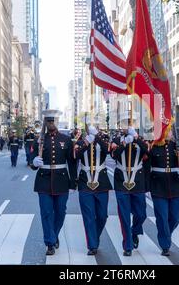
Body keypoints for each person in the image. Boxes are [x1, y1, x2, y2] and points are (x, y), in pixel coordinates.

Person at [31, 110, 77, 256]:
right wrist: (34, 162)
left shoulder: (66, 139)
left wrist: (73, 183)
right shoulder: (39, 140)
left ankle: (54, 234)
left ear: (57, 122)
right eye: (49, 121)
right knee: (46, 213)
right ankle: (50, 243)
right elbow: (31, 159)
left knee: (60, 212)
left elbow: (72, 162)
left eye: (54, 121)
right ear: (46, 122)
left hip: (62, 180)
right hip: (43, 180)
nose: (51, 124)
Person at [148, 130, 179, 256]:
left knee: (175, 218)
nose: (168, 133)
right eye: (165, 131)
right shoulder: (153, 147)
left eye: (169, 131)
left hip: (175, 186)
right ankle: (165, 245)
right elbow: (146, 166)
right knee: (162, 217)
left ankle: (166, 234)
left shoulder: (178, 147)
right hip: (158, 186)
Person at [74, 125, 112, 255]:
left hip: (101, 182)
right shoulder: (80, 142)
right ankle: (92, 245)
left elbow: (108, 151)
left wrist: (97, 137)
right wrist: (86, 142)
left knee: (102, 216)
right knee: (88, 216)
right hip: (85, 182)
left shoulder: (102, 141)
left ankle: (94, 236)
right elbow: (76, 156)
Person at [111, 126, 148, 256]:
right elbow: (114, 155)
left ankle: (134, 232)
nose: (126, 127)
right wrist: (125, 142)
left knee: (141, 214)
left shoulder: (140, 140)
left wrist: (136, 139)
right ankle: (127, 245)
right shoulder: (116, 140)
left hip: (137, 180)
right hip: (121, 180)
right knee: (124, 215)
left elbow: (147, 152)